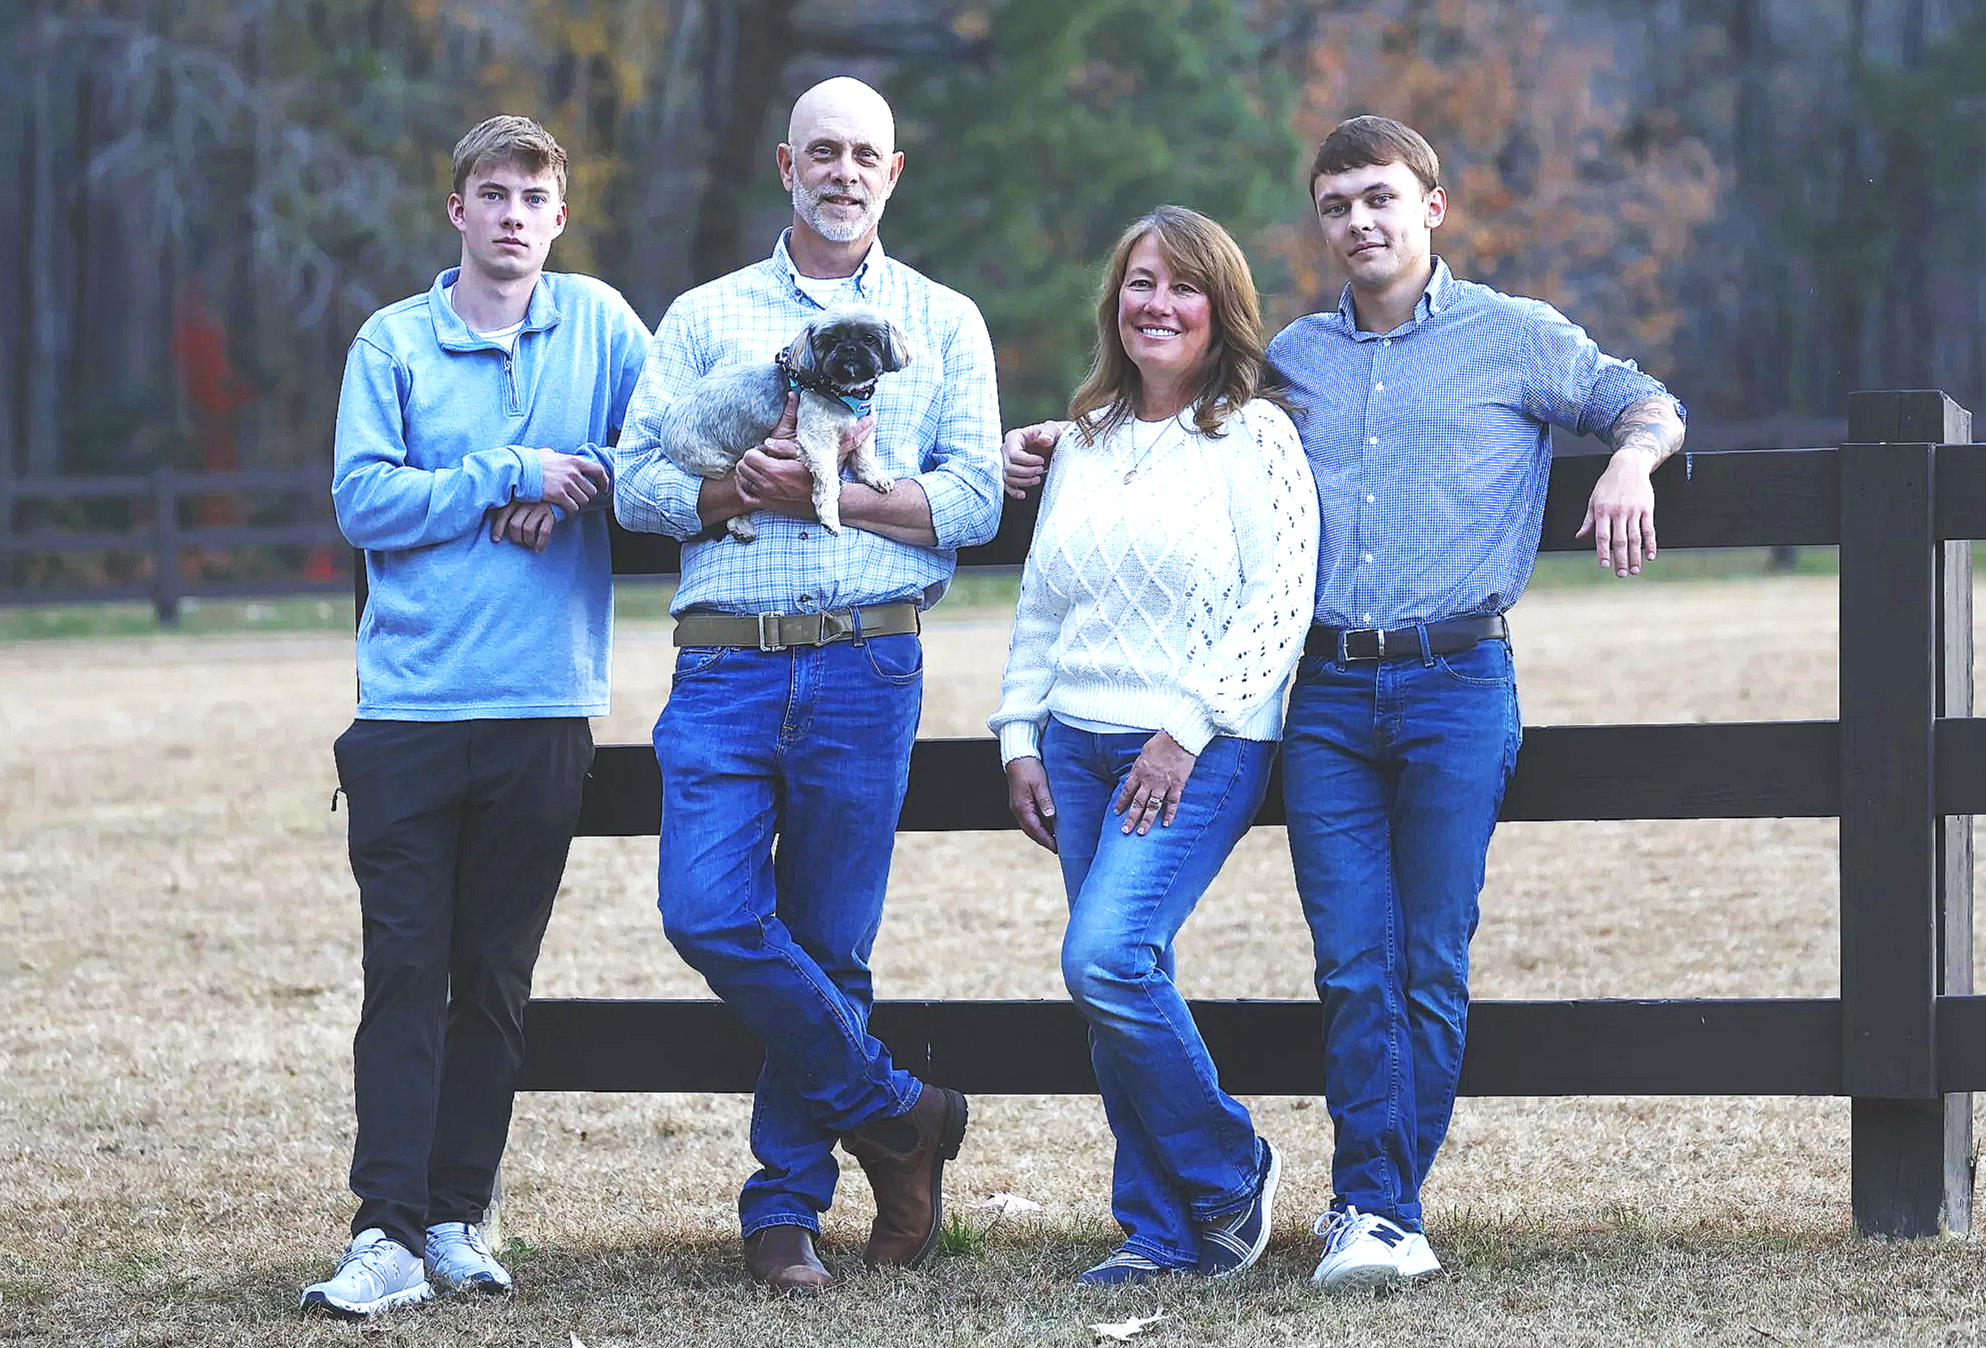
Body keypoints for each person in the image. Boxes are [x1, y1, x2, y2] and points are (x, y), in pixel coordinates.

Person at [1002, 115, 1685, 1291]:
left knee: (1428, 955)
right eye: (1336, 205)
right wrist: (1072, 437)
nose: (1360, 222)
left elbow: (1643, 398)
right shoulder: (1298, 361)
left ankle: (1380, 1206)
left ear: (1433, 205)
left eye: (1380, 198)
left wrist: (1631, 461)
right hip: (1323, 691)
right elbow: (1179, 409)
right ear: (1319, 223)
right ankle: (1351, 1203)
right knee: (1353, 958)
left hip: (1456, 679)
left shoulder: (1513, 337)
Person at [612, 77, 1002, 1295]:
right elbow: (635, 483)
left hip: (866, 657)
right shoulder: (704, 318)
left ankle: (784, 1215)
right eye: (821, 151)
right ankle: (901, 1110)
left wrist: (836, 496)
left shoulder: (943, 322)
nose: (842, 170)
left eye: (864, 155)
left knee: (832, 941)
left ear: (894, 173)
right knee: (707, 912)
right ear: (787, 165)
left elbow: (977, 498)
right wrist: (739, 490)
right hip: (724, 656)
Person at [307, 115, 650, 1318]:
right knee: (403, 973)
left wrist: (580, 477)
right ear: (455, 209)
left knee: (495, 981)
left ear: (560, 217)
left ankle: (458, 1217)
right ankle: (384, 1233)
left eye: (533, 197)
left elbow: (655, 448)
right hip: (408, 709)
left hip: (543, 705)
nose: (511, 214)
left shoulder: (602, 324)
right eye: (491, 194)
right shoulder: (394, 341)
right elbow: (363, 499)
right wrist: (510, 471)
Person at [989, 206, 1317, 1285]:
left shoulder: (1253, 434)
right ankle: (1160, 1230)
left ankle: (1230, 1170)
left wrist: (1183, 731)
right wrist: (1018, 735)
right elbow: (1044, 602)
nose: (1157, 304)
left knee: (1106, 957)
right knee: (1116, 983)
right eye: (1140, 282)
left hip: (1199, 742)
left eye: (1182, 287)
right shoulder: (1082, 439)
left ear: (1220, 310)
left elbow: (1280, 601)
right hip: (1076, 744)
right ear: (1114, 303)